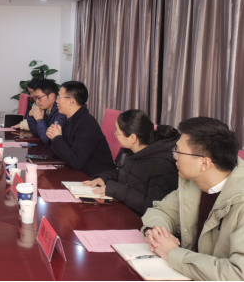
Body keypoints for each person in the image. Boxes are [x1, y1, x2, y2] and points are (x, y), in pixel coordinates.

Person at [142, 117, 244, 281]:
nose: (174, 156)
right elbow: (162, 211)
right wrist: (156, 231)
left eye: (179, 151)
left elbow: (238, 274)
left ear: (204, 163)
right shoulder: (194, 182)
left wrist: (173, 253)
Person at [83, 110, 180, 215]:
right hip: (123, 211)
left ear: (133, 138)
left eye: (117, 133)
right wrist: (104, 178)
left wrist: (118, 190)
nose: (116, 136)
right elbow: (125, 173)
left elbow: (153, 207)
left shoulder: (162, 166)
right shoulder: (134, 152)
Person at [46, 81, 115, 177]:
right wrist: (53, 136)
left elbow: (76, 161)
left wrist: (57, 137)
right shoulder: (69, 119)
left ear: (71, 101)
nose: (56, 101)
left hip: (96, 178)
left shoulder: (87, 124)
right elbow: (65, 152)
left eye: (59, 97)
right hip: (78, 173)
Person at [26, 79, 67, 145]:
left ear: (51, 96)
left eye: (39, 97)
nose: (37, 101)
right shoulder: (45, 109)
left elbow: (47, 140)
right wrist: (31, 117)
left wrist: (39, 120)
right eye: (36, 98)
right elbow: (37, 133)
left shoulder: (61, 112)